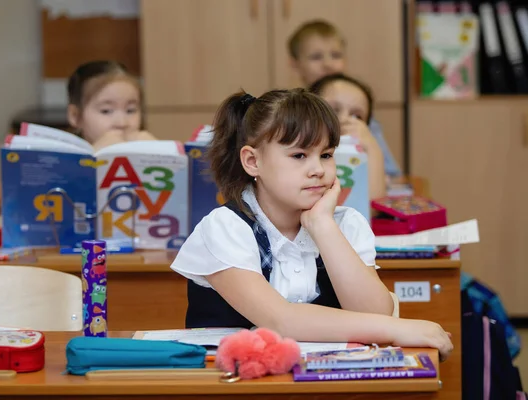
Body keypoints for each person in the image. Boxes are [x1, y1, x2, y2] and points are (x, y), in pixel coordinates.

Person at [170, 88, 453, 360]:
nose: (318, 169)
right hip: (233, 385)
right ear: (252, 161)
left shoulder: (346, 224)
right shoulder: (225, 227)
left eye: (326, 155)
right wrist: (400, 328)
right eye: (299, 156)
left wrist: (322, 225)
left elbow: (374, 313)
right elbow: (280, 319)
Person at [288, 20, 402, 180]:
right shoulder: (288, 113)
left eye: (336, 55)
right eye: (316, 57)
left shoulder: (358, 114)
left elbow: (390, 173)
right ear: (295, 64)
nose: (328, 64)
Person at [310, 73, 385, 200]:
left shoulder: (361, 156)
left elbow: (372, 206)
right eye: (333, 110)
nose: (345, 119)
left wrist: (372, 147)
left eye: (356, 116)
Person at [66, 60, 156, 151]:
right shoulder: (63, 160)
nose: (122, 123)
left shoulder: (147, 145)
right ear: (75, 116)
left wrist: (159, 154)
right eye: (106, 111)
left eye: (130, 110)